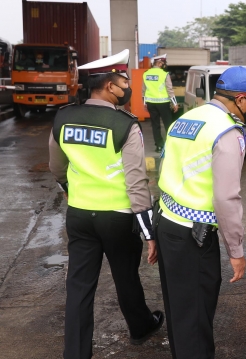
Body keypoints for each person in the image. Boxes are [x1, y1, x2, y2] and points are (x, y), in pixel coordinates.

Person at [48, 49, 164, 359]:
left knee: (79, 287)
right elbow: (136, 182)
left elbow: (57, 167)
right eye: (124, 81)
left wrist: (71, 190)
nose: (128, 87)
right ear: (110, 86)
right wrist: (149, 231)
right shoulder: (125, 124)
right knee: (126, 277)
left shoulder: (63, 117)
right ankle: (140, 328)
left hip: (80, 215)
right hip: (117, 217)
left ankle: (75, 353)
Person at [154, 66, 246, 358]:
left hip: (167, 222)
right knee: (195, 320)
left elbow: (165, 170)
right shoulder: (226, 131)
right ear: (243, 99)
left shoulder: (186, 118)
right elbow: (226, 197)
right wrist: (236, 250)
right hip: (193, 237)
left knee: (180, 314)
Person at [142, 54, 178, 152]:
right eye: (162, 63)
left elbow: (144, 90)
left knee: (155, 124)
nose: (163, 65)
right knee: (168, 124)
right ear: (158, 63)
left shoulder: (146, 73)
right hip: (163, 103)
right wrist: (174, 103)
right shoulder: (164, 74)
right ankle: (170, 145)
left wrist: (144, 103)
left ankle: (159, 146)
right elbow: (169, 89)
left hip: (150, 103)